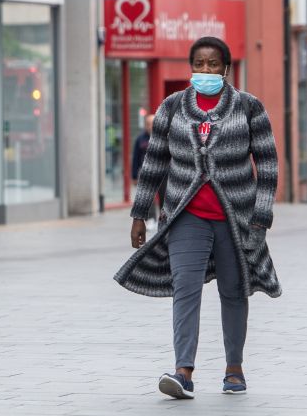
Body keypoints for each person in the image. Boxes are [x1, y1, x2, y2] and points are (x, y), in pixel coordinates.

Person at [114, 36, 281, 399]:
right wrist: (140, 213)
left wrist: (261, 217)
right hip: (185, 216)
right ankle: (183, 372)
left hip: (235, 218)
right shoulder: (172, 108)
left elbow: (267, 165)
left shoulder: (249, 108)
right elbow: (154, 162)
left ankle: (233, 367)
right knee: (184, 289)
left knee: (234, 292)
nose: (206, 71)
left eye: (213, 64)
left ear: (226, 69)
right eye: (199, 64)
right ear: (191, 68)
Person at [131, 113, 161, 228]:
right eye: (148, 124)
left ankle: (165, 219)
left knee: (165, 196)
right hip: (146, 173)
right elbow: (135, 158)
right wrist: (134, 176)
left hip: (162, 173)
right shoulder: (140, 139)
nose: (150, 126)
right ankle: (151, 219)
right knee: (149, 197)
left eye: (152, 124)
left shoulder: (163, 137)